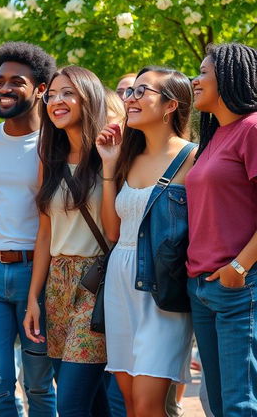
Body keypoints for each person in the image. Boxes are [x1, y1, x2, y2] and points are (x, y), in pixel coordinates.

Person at [96, 66, 195, 417]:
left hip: (161, 289)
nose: (130, 99)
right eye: (129, 92)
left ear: (170, 106)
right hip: (120, 285)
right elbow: (112, 230)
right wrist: (109, 167)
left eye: (142, 92)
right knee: (131, 405)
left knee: (149, 404)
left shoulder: (193, 158)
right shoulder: (127, 157)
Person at [0, 41, 57, 417]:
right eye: (0, 80)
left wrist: (38, 289)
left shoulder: (55, 144)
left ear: (40, 89)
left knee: (39, 384)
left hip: (36, 273)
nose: (4, 88)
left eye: (16, 81)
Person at [24, 66, 109, 417]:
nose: (56, 101)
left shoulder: (111, 152)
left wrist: (111, 164)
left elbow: (116, 230)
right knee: (93, 401)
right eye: (52, 95)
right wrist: (34, 297)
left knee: (71, 403)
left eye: (67, 93)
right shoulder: (51, 159)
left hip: (96, 282)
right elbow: (45, 232)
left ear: (88, 98)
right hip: (57, 285)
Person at [186, 43, 257, 417]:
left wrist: (239, 268)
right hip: (201, 286)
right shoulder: (213, 138)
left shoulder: (252, 129)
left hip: (239, 287)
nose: (194, 80)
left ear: (228, 77)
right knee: (217, 403)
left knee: (240, 404)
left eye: (202, 73)